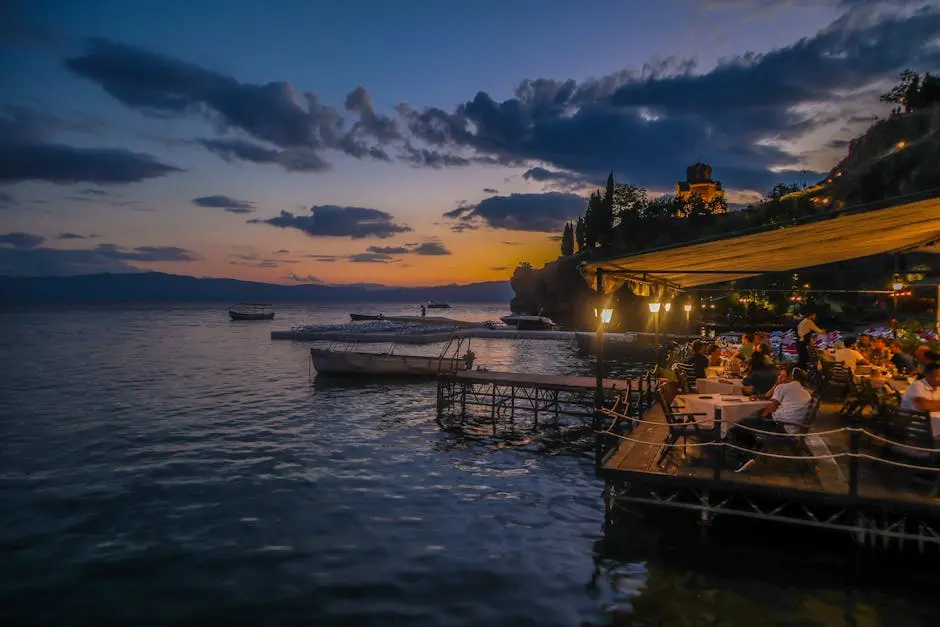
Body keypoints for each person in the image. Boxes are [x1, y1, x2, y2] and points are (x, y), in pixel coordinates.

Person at [728, 368, 814, 472]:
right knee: (750, 423)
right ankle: (749, 456)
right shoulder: (805, 392)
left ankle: (741, 459)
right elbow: (770, 398)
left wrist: (761, 418)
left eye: (782, 376)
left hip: (781, 427)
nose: (779, 378)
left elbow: (772, 407)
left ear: (790, 377)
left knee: (740, 426)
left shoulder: (783, 387)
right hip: (793, 428)